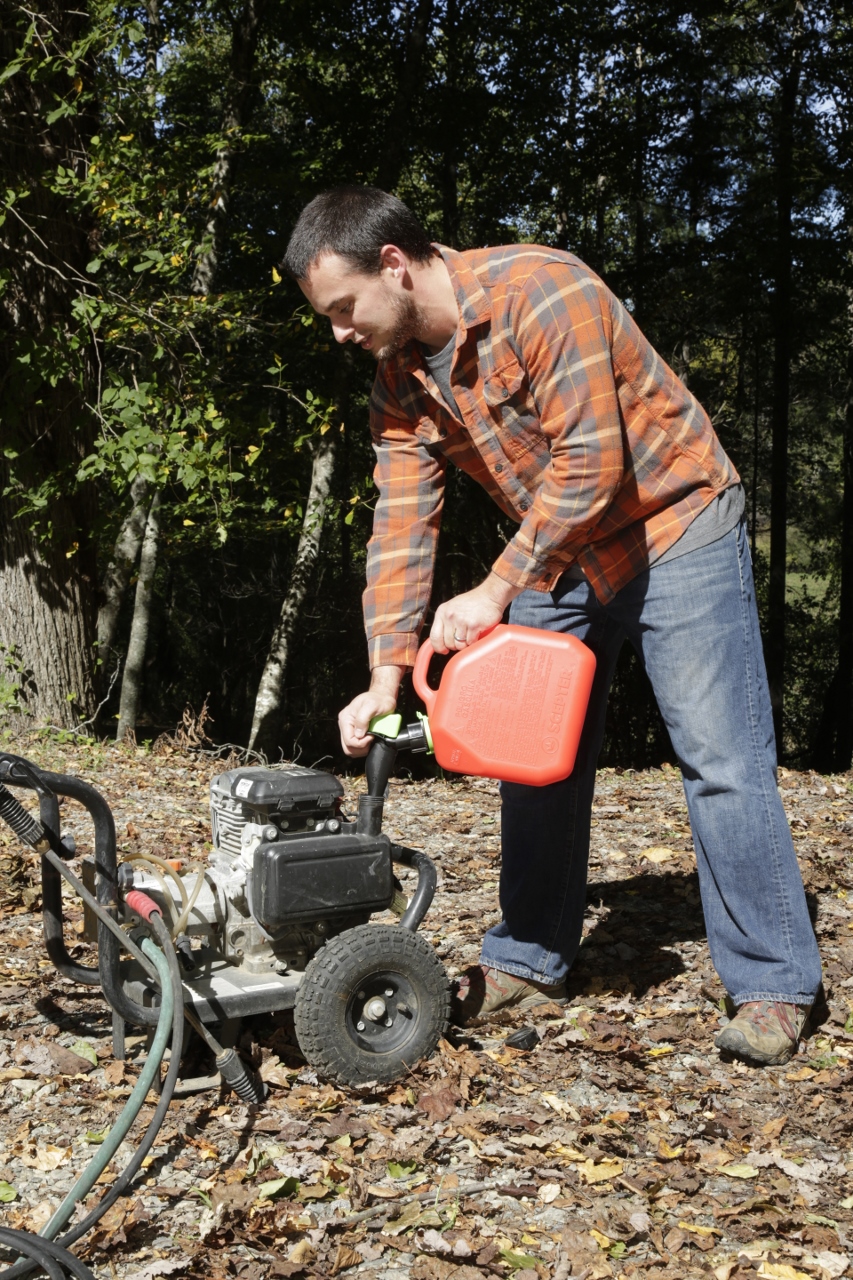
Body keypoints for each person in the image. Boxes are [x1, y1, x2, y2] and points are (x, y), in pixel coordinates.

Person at [283, 185, 822, 1068]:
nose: (339, 331)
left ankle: (772, 983)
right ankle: (529, 957)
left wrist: (495, 590)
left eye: (343, 309)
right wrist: (382, 680)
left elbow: (592, 464)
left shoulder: (544, 290)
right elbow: (400, 524)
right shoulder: (398, 377)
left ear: (392, 264)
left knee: (720, 761)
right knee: (525, 749)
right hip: (562, 554)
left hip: (672, 524)